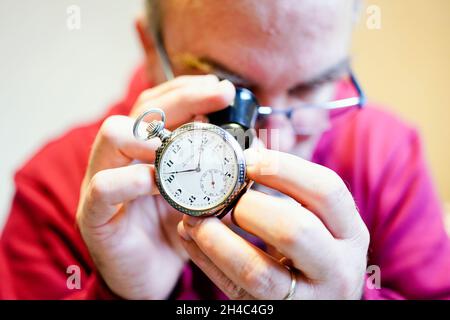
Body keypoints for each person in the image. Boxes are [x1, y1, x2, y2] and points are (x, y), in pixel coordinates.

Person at [1, 0, 449, 300]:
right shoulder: (59, 189)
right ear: (153, 54)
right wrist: (122, 296)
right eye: (233, 92)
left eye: (314, 85)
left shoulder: (386, 156)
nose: (280, 140)